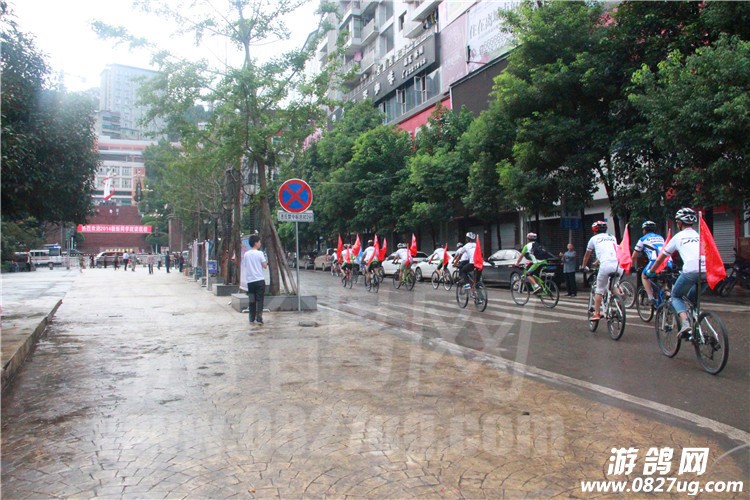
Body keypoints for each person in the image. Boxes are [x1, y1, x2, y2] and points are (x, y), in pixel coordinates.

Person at [647, 208, 702, 338]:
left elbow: (661, 258)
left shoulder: (678, 237)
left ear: (679, 223)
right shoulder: (700, 235)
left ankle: (685, 324)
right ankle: (697, 325)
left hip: (691, 271)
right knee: (692, 300)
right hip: (707, 272)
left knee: (676, 296)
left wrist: (652, 271)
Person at [582, 221, 623, 321]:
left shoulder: (593, 239)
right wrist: (597, 262)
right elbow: (609, 251)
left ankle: (596, 313)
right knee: (613, 286)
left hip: (606, 265)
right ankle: (620, 303)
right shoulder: (612, 237)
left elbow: (587, 255)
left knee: (599, 289)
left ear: (594, 231)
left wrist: (584, 266)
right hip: (619, 264)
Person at [631, 220, 668, 304]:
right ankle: (667, 293)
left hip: (655, 261)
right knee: (665, 278)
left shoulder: (643, 239)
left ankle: (650, 297)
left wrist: (632, 267)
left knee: (644, 276)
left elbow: (634, 256)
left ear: (644, 230)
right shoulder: (660, 237)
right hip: (667, 260)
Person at [242, 234, 268, 326]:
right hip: (259, 280)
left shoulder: (246, 254)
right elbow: (265, 266)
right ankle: (259, 318)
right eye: (259, 242)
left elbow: (245, 265)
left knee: (252, 300)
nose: (260, 243)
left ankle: (251, 318)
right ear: (256, 243)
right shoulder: (260, 253)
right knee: (260, 300)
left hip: (250, 281)